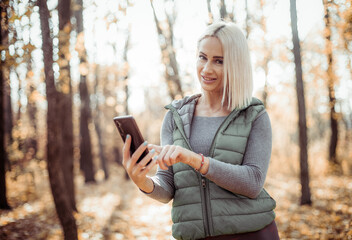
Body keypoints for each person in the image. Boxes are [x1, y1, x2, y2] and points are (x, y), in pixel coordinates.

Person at [122, 21, 280, 240]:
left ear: (236, 64)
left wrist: (194, 159)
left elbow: (253, 182)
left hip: (251, 233)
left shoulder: (253, 115)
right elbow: (167, 187)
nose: (206, 69)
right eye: (202, 57)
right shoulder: (175, 117)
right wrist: (143, 182)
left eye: (219, 61)